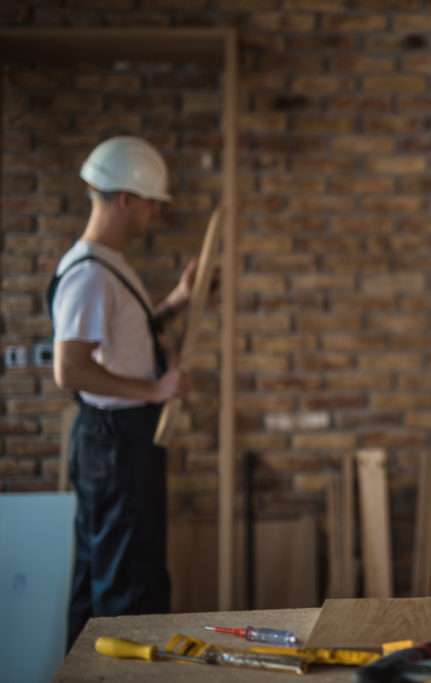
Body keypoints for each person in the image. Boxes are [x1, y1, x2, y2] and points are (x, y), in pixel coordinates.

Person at [49, 136, 198, 649]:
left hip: (117, 441)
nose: (156, 212)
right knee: (128, 585)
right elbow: (70, 370)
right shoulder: (90, 273)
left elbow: (123, 340)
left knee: (107, 578)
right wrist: (154, 388)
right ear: (125, 199)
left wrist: (176, 302)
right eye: (153, 201)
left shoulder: (107, 265)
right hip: (116, 444)